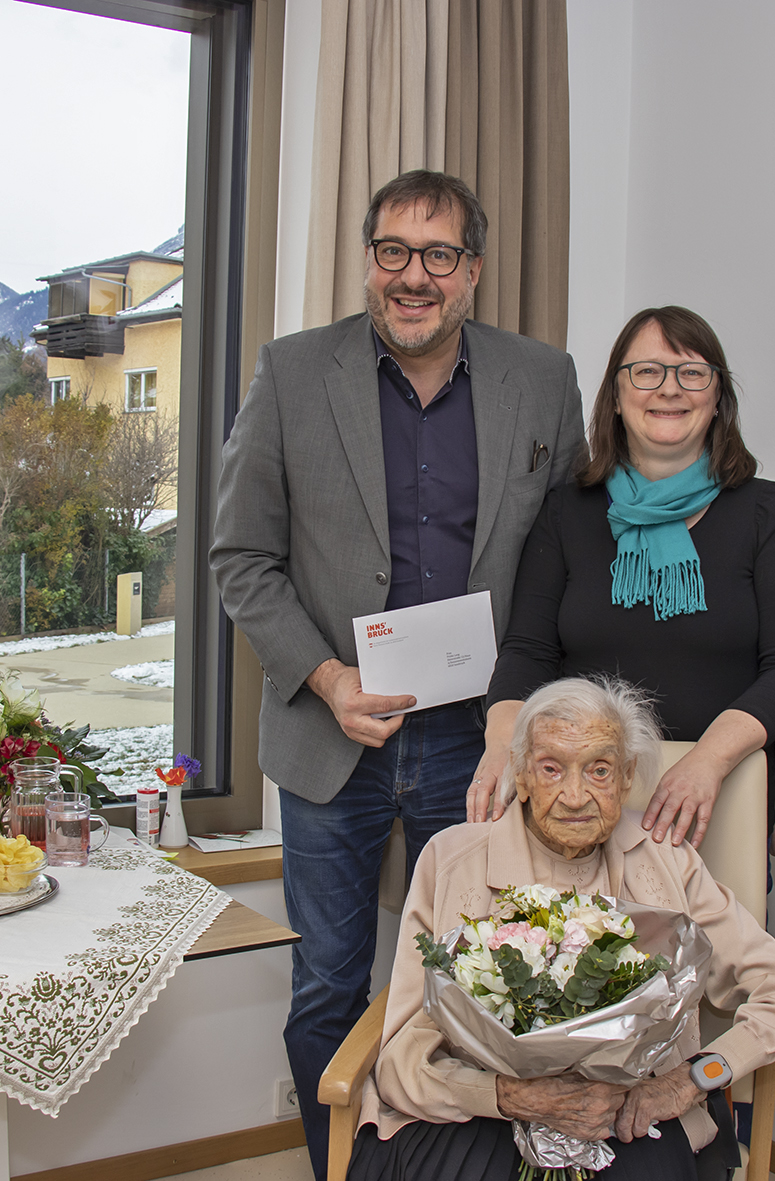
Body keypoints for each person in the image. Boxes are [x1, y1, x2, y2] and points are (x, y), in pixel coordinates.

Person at [210, 170, 586, 1180]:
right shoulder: (291, 372)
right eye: (391, 252)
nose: (411, 277)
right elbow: (239, 557)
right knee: (328, 989)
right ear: (367, 257)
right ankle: (338, 1168)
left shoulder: (542, 379)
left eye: (436, 255)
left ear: (471, 270)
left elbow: (565, 562)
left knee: (479, 982)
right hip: (332, 737)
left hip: (481, 745)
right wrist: (327, 677)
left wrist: (525, 721)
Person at [350, 676, 775, 1181]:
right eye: (552, 768)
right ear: (522, 775)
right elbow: (402, 1054)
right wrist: (507, 1096)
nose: (575, 796)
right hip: (481, 1108)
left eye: (599, 770)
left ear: (626, 777)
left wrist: (690, 1080)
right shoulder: (451, 859)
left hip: (632, 1110)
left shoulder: (666, 862)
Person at [468, 306, 775, 849]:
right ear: (615, 393)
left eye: (692, 372)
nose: (669, 390)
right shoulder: (567, 511)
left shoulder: (768, 514)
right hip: (578, 801)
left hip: (716, 794)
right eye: (647, 371)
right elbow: (528, 651)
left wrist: (708, 761)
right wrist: (502, 744)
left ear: (718, 395)